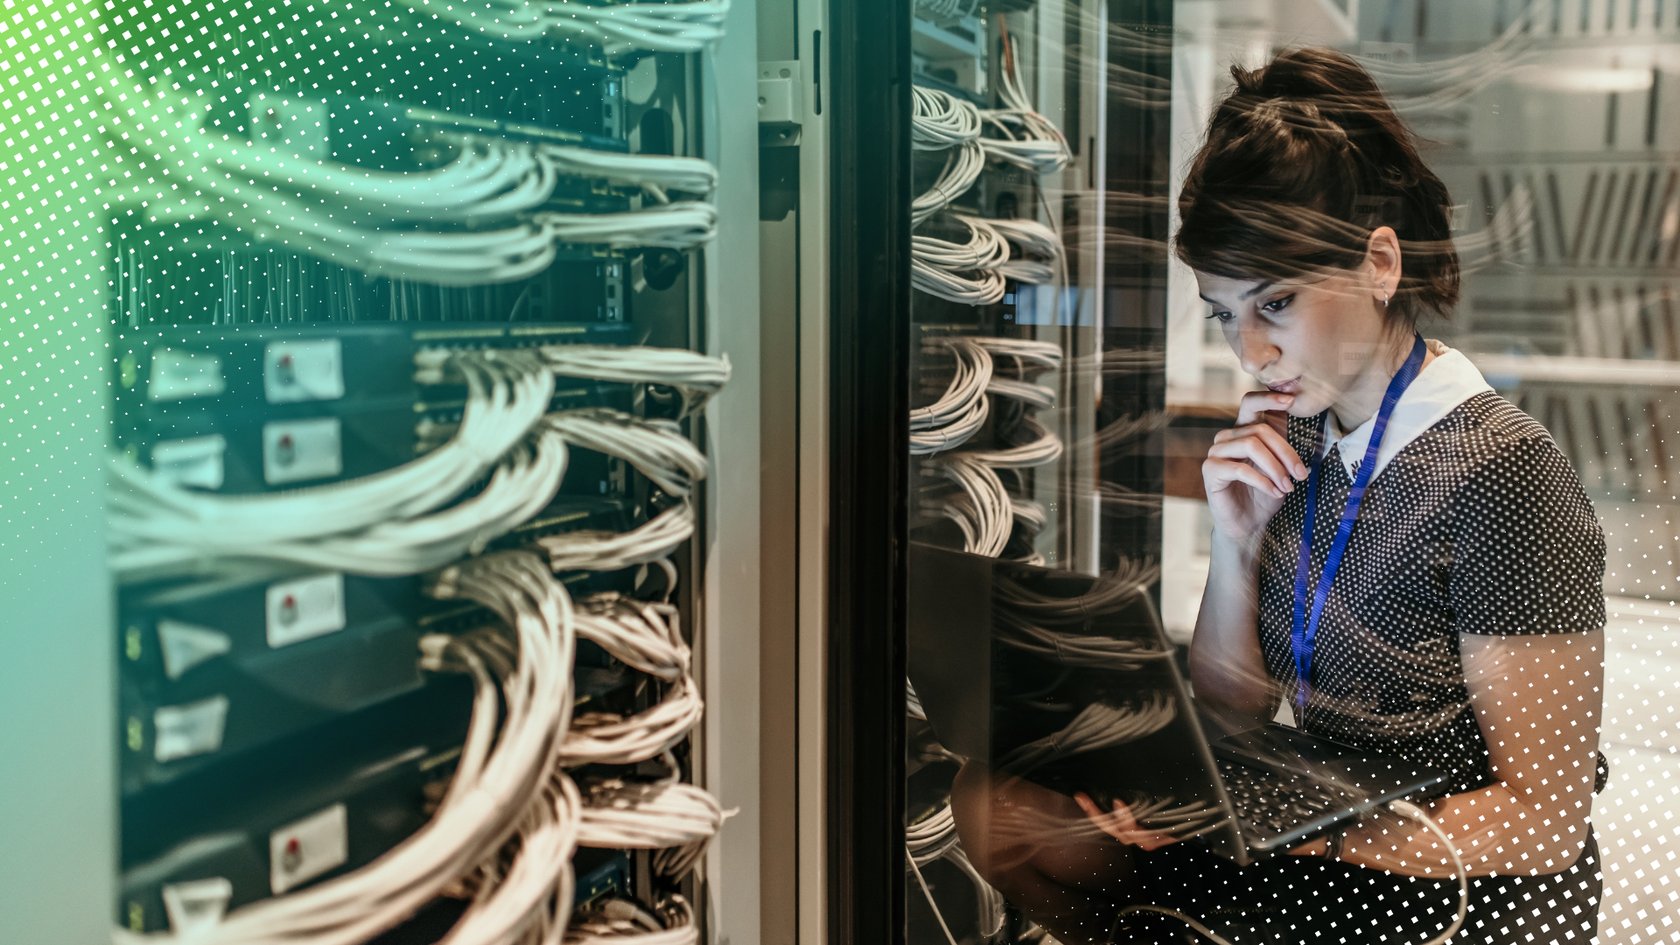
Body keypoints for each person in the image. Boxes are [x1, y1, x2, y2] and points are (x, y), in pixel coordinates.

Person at [950, 47, 1606, 945]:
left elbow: (1545, 816)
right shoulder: (1298, 429)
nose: (1248, 351)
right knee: (995, 812)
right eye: (1226, 314)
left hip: (1455, 870)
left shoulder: (1501, 471)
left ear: (1380, 263)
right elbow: (1231, 708)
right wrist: (1237, 540)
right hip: (1309, 814)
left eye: (1277, 302)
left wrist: (1305, 838)